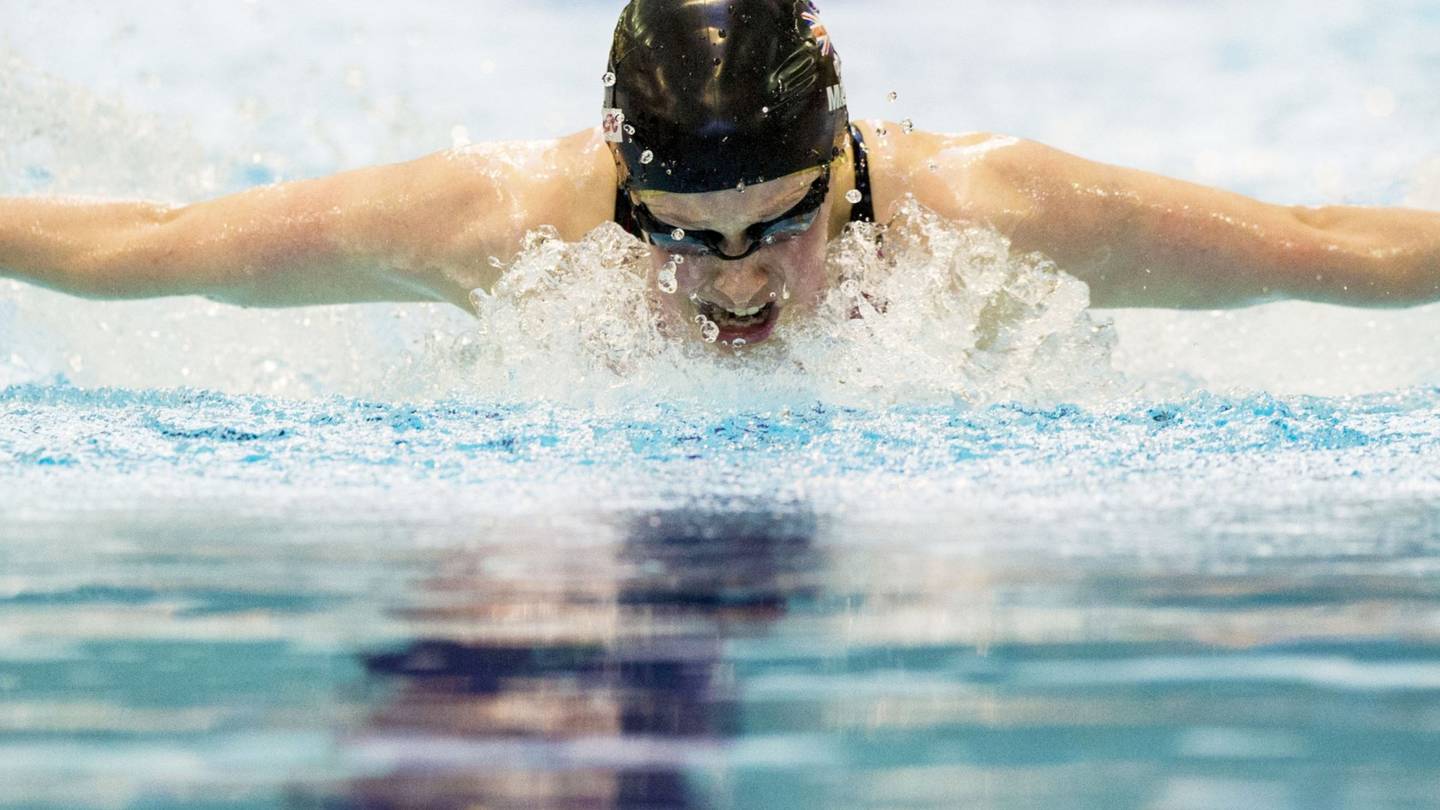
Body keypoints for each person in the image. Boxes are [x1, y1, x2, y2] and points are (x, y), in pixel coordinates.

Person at [1, 0, 1436, 349]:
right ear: (620, 185)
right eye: (680, 236)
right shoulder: (499, 226)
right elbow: (166, 236)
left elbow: (1322, 241)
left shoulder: (996, 222)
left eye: (778, 226)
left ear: (844, 162)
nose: (736, 281)